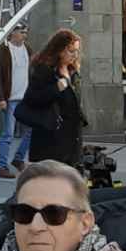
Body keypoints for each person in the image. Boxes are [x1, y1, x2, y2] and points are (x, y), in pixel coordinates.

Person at [21, 29, 86, 168]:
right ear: (59, 50)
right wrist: (56, 88)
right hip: (51, 138)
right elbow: (32, 99)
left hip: (72, 138)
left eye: (76, 51)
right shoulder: (44, 70)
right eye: (71, 51)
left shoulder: (73, 71)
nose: (75, 55)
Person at [0, 22, 33, 179]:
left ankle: (18, 158)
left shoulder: (27, 50)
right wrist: (0, 98)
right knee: (8, 134)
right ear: (12, 33)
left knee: (31, 130)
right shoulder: (3, 51)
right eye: (22, 32)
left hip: (26, 98)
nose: (25, 35)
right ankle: (3, 167)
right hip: (10, 99)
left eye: (25, 32)